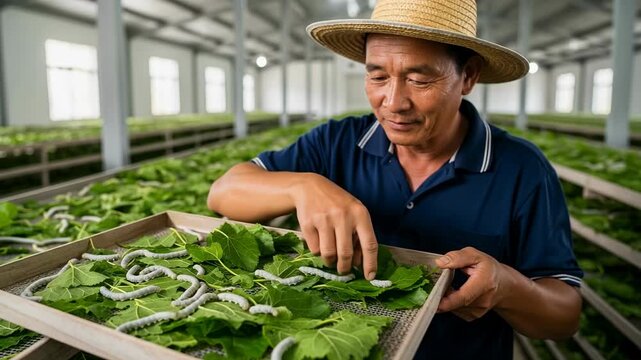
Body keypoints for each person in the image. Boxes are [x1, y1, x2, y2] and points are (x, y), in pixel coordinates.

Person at [207, 0, 583, 358]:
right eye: (378, 76)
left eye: (419, 79)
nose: (393, 102)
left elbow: (565, 315)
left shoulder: (522, 169)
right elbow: (224, 192)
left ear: (467, 77)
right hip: (340, 345)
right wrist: (302, 186)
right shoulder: (336, 142)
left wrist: (506, 286)